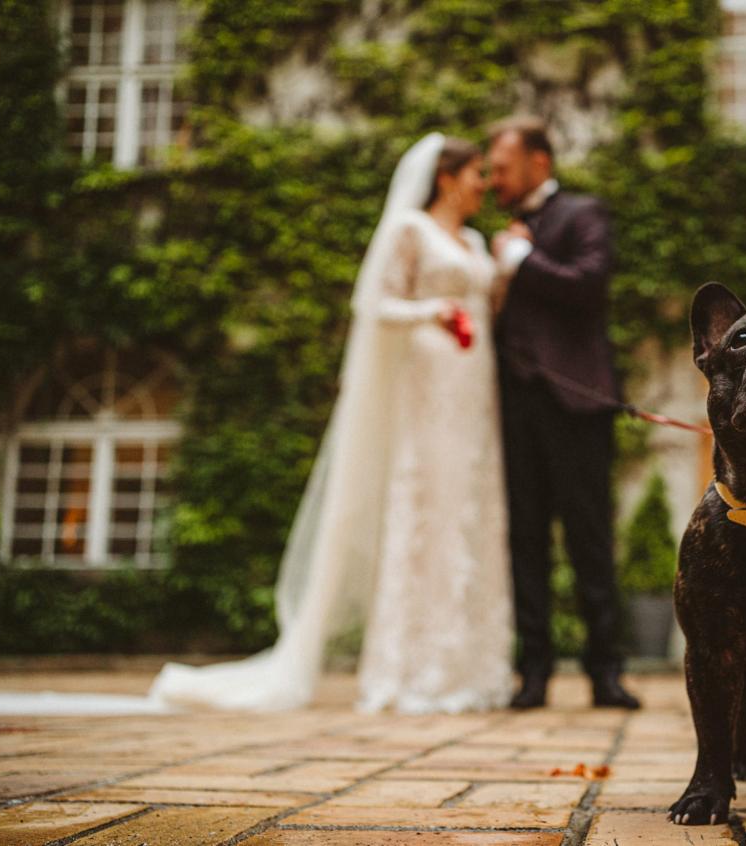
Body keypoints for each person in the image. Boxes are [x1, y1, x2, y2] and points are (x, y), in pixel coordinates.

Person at [149, 132, 515, 713]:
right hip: (426, 381)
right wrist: (432, 310)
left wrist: (507, 267)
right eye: (477, 175)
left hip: (473, 388)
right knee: (422, 511)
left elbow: (489, 305)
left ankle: (469, 668)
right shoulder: (408, 231)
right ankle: (408, 671)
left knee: (467, 512)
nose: (485, 187)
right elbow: (375, 305)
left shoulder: (473, 239)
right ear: (446, 178)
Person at [488, 117, 640, 710]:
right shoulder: (502, 232)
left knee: (590, 539)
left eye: (503, 166)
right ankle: (533, 672)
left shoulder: (583, 213)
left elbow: (589, 284)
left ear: (539, 163)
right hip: (515, 404)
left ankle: (605, 670)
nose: (494, 177)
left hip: (577, 404)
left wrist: (523, 261)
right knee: (525, 539)